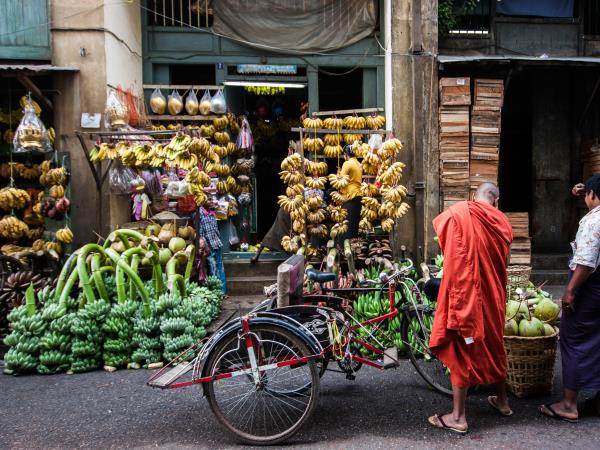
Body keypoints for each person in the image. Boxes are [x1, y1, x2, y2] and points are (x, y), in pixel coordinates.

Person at [428, 182, 513, 434]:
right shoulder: (504, 223)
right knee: (494, 344)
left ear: (474, 197)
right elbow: (504, 263)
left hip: (468, 295)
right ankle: (503, 401)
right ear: (496, 200)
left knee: (462, 350)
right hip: (494, 295)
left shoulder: (461, 213)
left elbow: (449, 251)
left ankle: (458, 417)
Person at [539, 174, 600, 422]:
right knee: (597, 339)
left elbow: (585, 261)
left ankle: (568, 404)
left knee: (573, 339)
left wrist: (569, 291)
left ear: (593, 196)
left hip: (589, 287)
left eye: (587, 194)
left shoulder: (593, 221)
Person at [196, 199, 227, 294]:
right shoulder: (200, 213)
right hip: (208, 247)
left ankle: (223, 291)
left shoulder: (212, 211)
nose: (210, 201)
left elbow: (216, 230)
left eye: (211, 199)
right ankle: (216, 292)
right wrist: (205, 247)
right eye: (208, 199)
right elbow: (200, 233)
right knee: (213, 269)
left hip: (216, 244)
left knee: (220, 267)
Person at [338, 145, 363, 242]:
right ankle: (353, 248)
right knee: (354, 226)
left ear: (346, 155)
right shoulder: (358, 163)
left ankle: (344, 250)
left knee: (346, 226)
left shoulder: (347, 163)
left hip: (350, 197)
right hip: (358, 196)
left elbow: (341, 180)